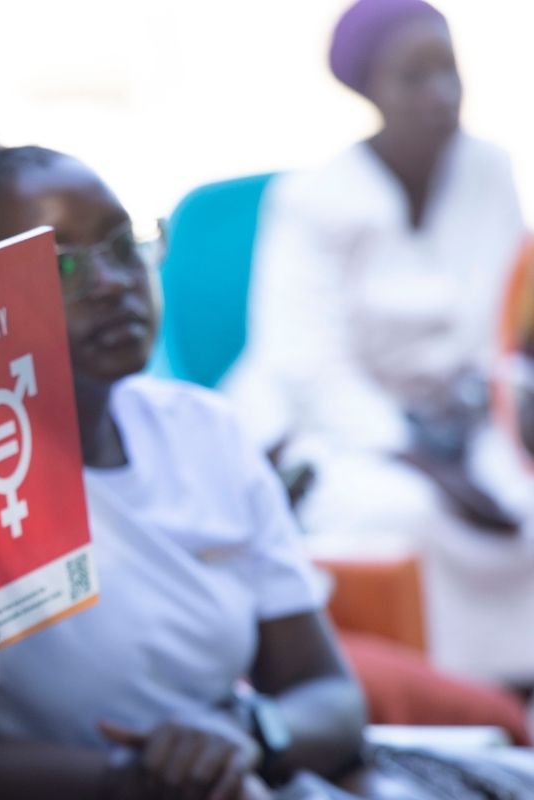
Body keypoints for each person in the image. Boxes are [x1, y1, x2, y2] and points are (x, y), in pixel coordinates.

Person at [0, 145, 368, 800]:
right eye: (59, 267)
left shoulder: (203, 428)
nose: (115, 282)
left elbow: (330, 695)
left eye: (125, 247)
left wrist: (247, 734)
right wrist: (142, 779)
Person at [222, 0, 534, 685]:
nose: (441, 95)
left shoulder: (490, 169)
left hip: (463, 417)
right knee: (406, 513)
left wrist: (498, 426)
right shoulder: (314, 201)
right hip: (335, 429)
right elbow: (311, 369)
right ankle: (455, 697)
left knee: (520, 496)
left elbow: (504, 329)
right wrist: (423, 459)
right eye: (413, 77)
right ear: (369, 89)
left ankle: (519, 680)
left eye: (448, 70)